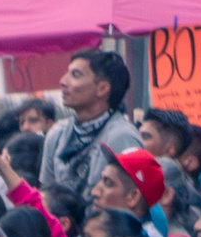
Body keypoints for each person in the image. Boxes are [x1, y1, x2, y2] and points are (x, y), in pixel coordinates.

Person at [40, 49, 141, 198]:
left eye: (75, 75)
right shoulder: (57, 133)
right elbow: (45, 195)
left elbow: (134, 200)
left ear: (102, 88)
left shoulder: (122, 137)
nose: (63, 81)